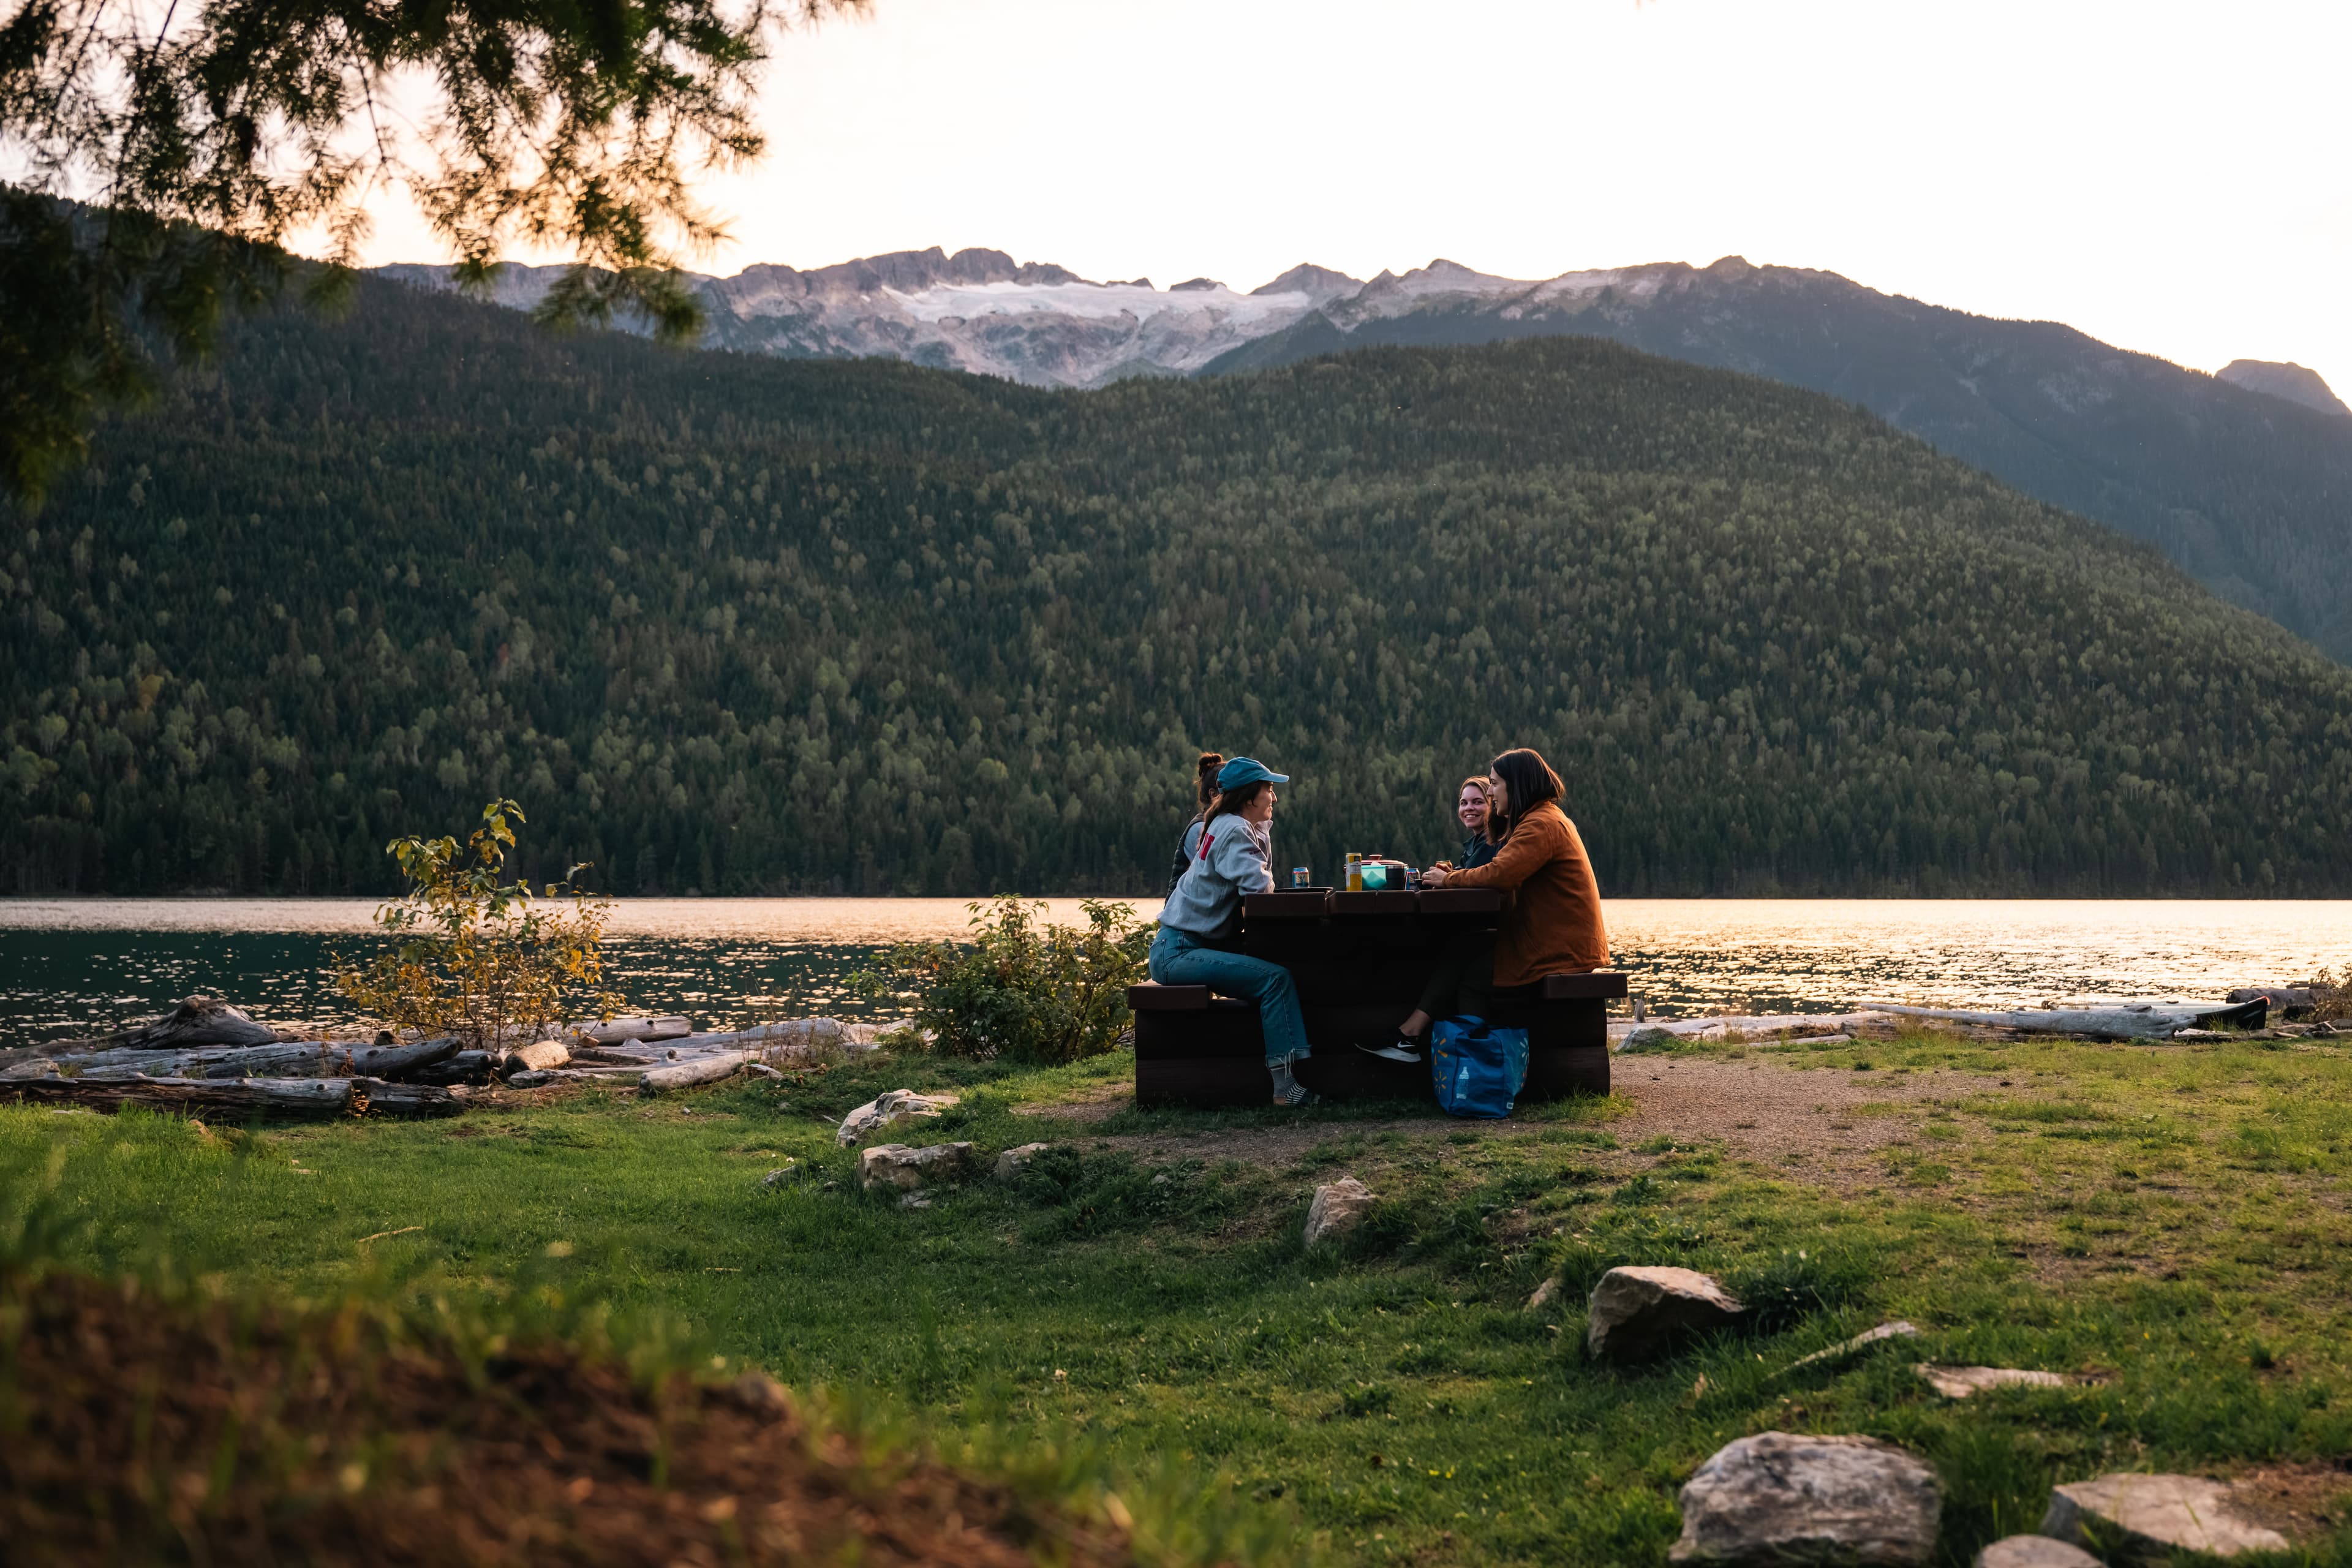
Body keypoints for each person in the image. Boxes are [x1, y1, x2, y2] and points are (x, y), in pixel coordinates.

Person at [1362, 747, 1608, 1062]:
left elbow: (1500, 874)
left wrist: (1448, 881)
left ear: (1516, 785)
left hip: (1559, 948)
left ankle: (1477, 1065)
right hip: (1550, 938)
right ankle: (1412, 1036)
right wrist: (1458, 877)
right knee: (1465, 945)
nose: (1490, 792)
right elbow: (1503, 870)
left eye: (1494, 785)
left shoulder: (1540, 825)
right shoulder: (1540, 819)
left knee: (1474, 979)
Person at [1151, 756, 1321, 1106]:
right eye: (1269, 790)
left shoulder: (1225, 823)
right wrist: (1260, 832)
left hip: (1179, 946)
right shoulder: (1235, 830)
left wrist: (1261, 829)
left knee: (1274, 972)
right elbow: (1260, 891)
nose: (1274, 798)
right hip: (1180, 951)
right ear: (1248, 797)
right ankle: (1285, 1088)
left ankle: (1281, 1077)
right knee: (1275, 979)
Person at [1167, 752, 1226, 893]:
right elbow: (1214, 879)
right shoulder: (1199, 828)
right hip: (1182, 913)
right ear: (1213, 794)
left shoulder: (1222, 826)